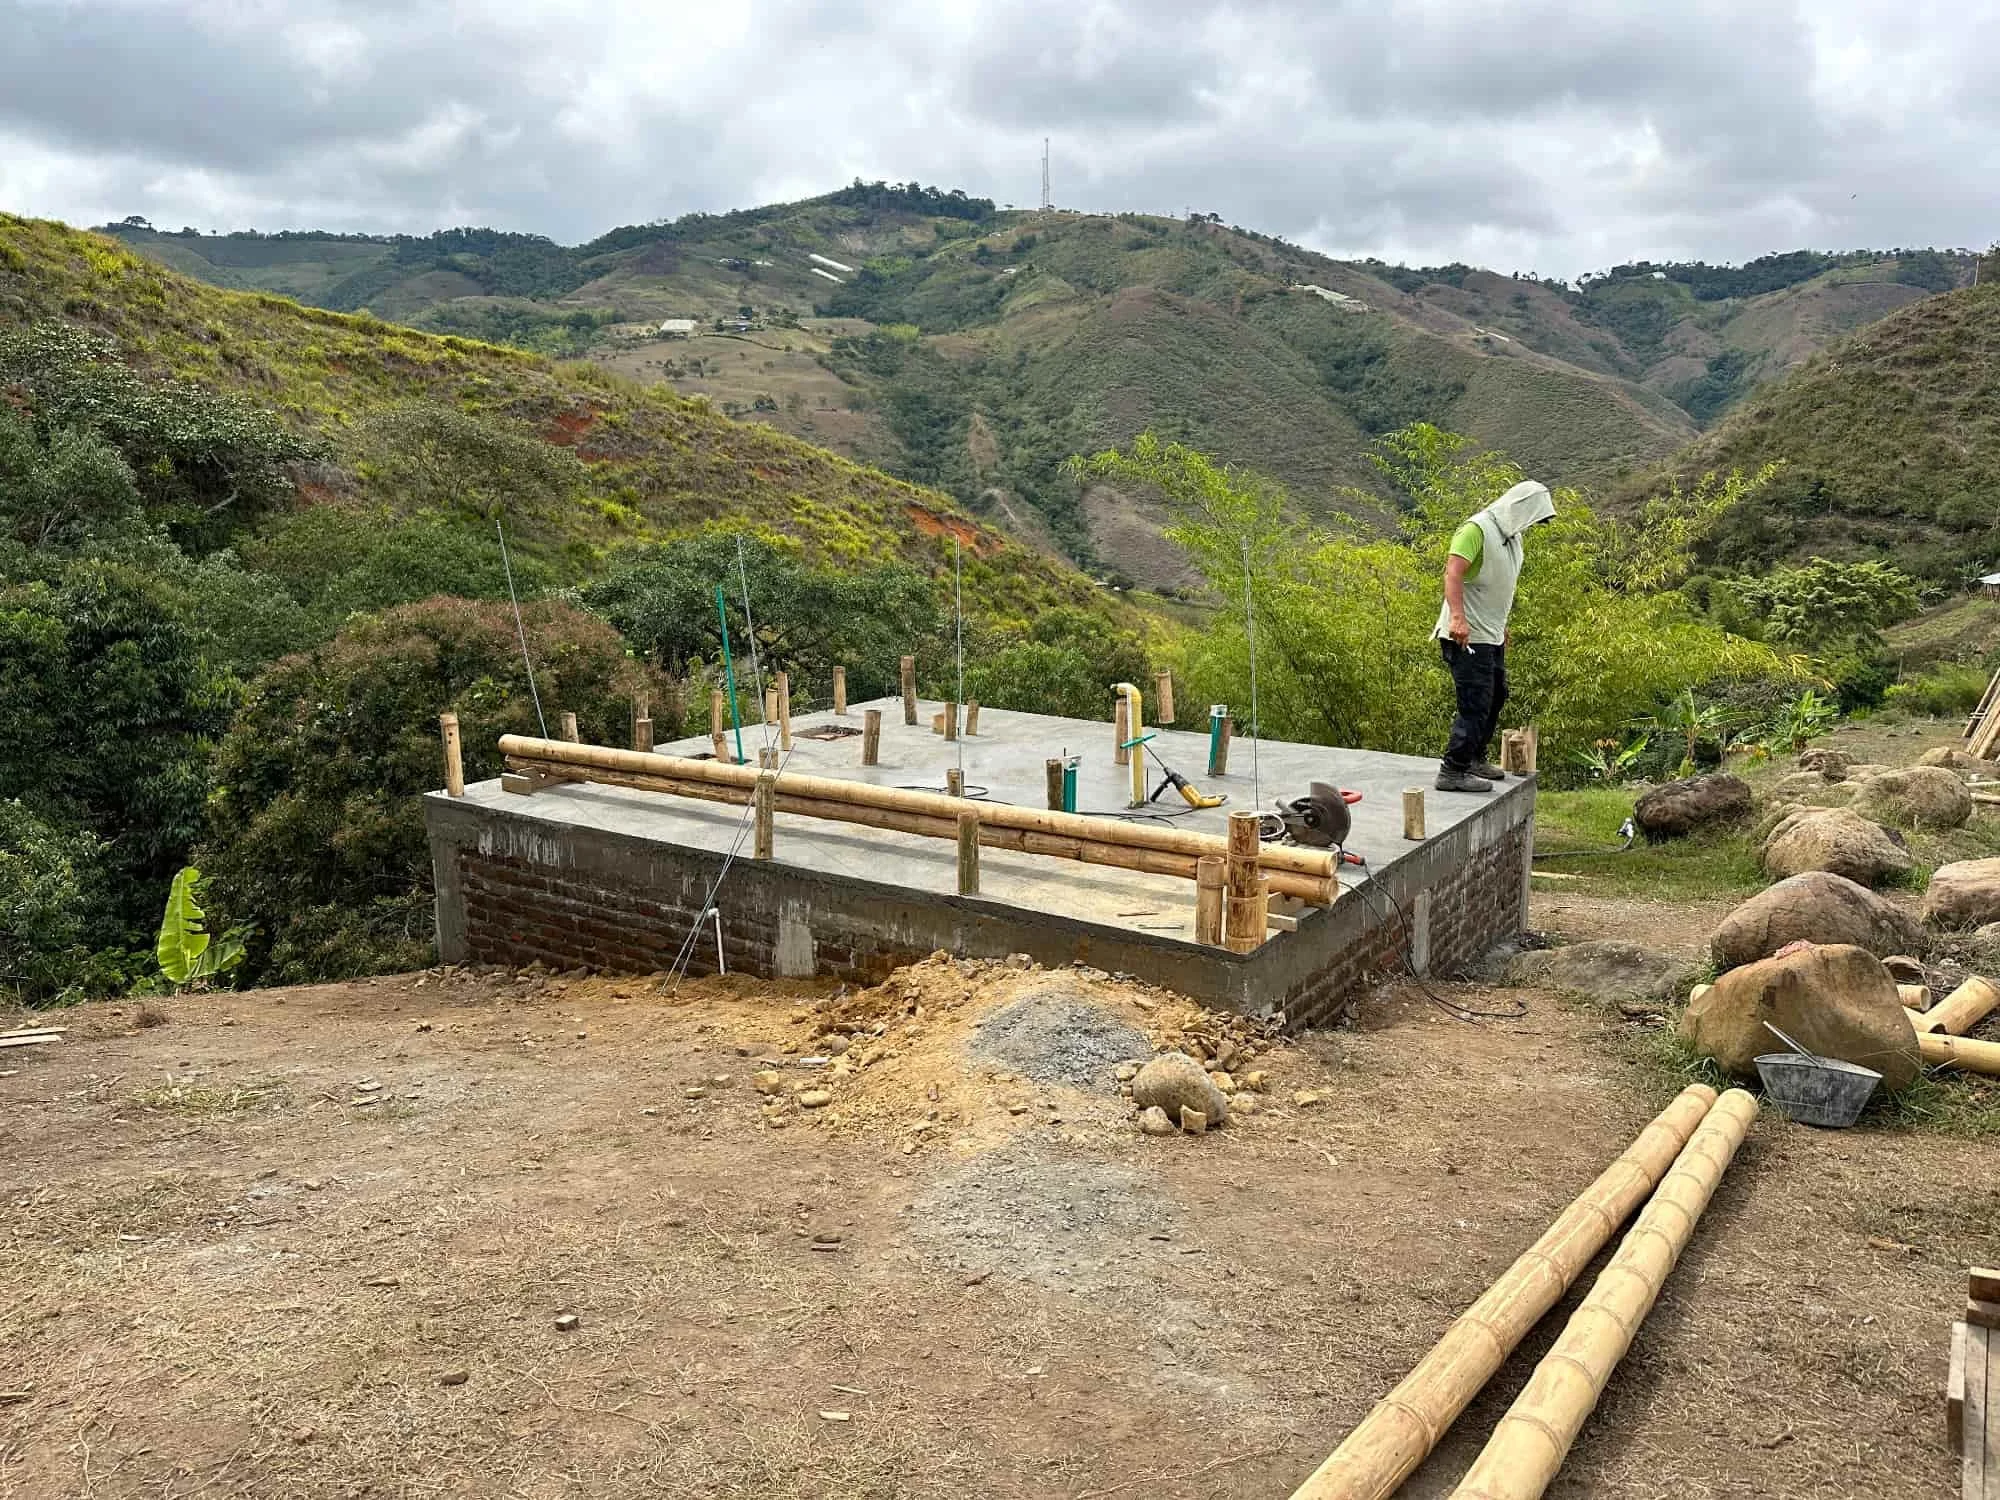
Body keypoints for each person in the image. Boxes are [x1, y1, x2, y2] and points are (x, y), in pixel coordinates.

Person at [1432, 479, 1556, 793]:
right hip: (1466, 636)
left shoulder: (1511, 538)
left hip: (1490, 634)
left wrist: (1501, 626)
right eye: (1534, 517)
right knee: (1475, 702)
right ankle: (1453, 770)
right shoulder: (1476, 530)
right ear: (1521, 508)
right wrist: (1457, 617)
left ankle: (1474, 757)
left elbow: (1496, 587)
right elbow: (1453, 572)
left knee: (1496, 694)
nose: (1533, 525)